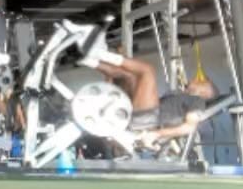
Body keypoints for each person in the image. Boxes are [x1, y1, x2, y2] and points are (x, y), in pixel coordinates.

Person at [94, 52, 223, 151]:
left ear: (205, 93)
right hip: (145, 116)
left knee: (148, 71)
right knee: (129, 76)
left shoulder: (198, 101)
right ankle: (91, 59)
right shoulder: (181, 96)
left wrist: (155, 134)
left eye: (203, 81)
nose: (197, 78)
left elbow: (189, 127)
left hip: (149, 122)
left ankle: (99, 53)